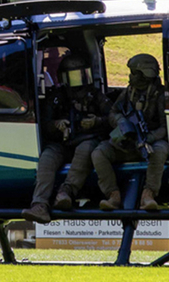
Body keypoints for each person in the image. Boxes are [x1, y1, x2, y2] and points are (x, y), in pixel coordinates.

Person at [21, 53, 112, 223]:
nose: (80, 81)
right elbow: (43, 124)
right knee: (47, 158)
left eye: (83, 74)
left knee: (86, 149)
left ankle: (66, 192)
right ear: (64, 78)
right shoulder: (56, 97)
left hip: (87, 139)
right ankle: (40, 204)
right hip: (61, 143)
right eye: (74, 76)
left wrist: (96, 121)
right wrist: (56, 125)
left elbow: (113, 118)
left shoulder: (96, 95)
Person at [92, 54, 169, 211]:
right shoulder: (129, 92)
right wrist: (121, 121)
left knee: (160, 151)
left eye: (133, 73)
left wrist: (149, 138)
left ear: (144, 74)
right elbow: (113, 112)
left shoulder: (160, 95)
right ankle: (113, 195)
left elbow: (165, 127)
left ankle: (148, 195)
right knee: (99, 153)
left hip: (148, 144)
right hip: (126, 142)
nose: (130, 76)